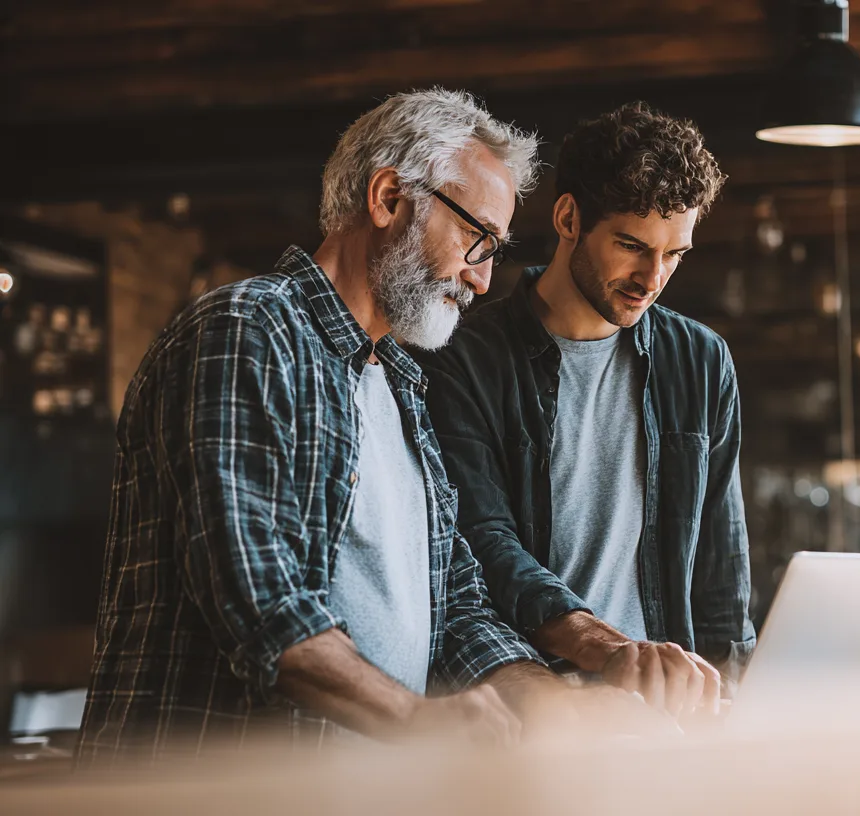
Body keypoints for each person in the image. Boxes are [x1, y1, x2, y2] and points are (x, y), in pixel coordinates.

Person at [77, 89, 575, 766]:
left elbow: (456, 604)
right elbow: (258, 599)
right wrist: (419, 720)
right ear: (388, 199)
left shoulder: (401, 386)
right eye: (475, 237)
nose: (482, 279)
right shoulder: (248, 331)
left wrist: (565, 707)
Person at [413, 102, 754, 718]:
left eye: (676, 253)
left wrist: (730, 700)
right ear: (568, 217)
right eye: (632, 245)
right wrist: (611, 651)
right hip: (526, 706)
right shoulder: (463, 356)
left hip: (667, 716)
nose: (652, 277)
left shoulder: (700, 361)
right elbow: (482, 541)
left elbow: (719, 569)